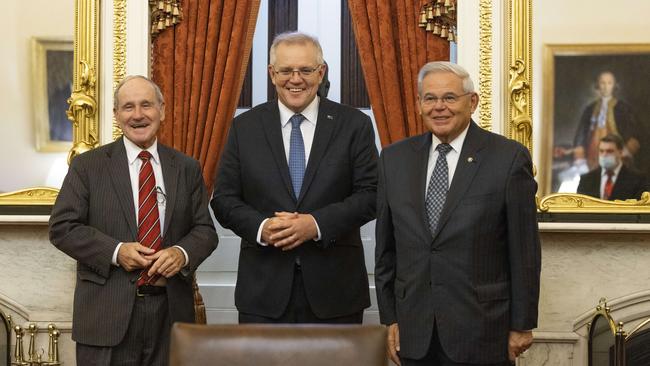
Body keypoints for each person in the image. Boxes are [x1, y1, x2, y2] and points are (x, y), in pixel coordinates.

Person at [375, 61, 541, 366]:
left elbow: (525, 250)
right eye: (430, 98)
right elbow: (386, 250)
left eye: (450, 98)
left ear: (472, 102)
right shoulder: (393, 159)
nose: (439, 107)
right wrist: (390, 318)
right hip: (414, 330)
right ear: (419, 104)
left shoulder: (507, 158)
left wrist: (522, 324)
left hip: (483, 329)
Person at [49, 75, 218, 366]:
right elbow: (62, 228)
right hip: (105, 317)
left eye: (146, 105)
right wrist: (116, 252)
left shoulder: (187, 168)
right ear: (116, 115)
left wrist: (181, 253)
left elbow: (205, 230)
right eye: (128, 107)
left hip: (170, 316)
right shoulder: (87, 167)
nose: (138, 115)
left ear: (162, 111)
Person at [211, 31, 378, 324]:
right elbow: (224, 199)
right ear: (272, 74)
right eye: (286, 70)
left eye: (306, 70)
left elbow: (371, 194)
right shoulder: (244, 127)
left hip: (336, 292)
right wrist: (262, 227)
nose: (296, 79)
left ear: (321, 72)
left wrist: (315, 224)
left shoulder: (354, 125)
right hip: (263, 292)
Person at [573, 71, 647, 173]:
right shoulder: (590, 109)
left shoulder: (623, 108)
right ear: (598, 85)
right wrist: (580, 159)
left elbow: (636, 133)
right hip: (593, 155)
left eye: (609, 83)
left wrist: (625, 152)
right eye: (602, 83)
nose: (605, 86)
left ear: (614, 86)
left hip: (615, 154)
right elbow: (580, 135)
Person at [577, 134, 648, 200]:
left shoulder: (637, 180)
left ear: (620, 152)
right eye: (601, 151)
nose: (604, 155)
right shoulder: (586, 180)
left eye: (609, 151)